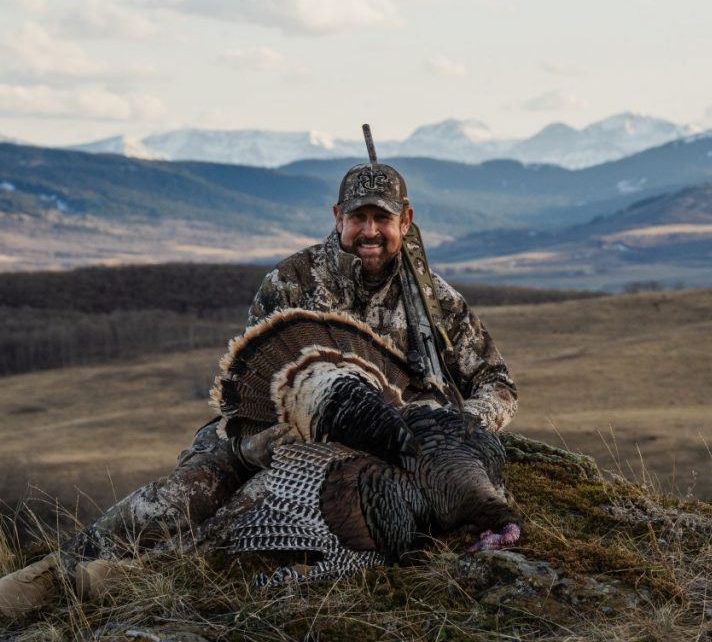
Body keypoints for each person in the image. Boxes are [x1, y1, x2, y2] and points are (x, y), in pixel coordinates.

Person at [0, 160, 517, 618]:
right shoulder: (293, 282)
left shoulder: (435, 301)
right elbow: (255, 396)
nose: (370, 231)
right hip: (272, 436)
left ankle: (123, 579)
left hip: (374, 461)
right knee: (185, 494)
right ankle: (50, 575)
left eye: (382, 218)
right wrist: (256, 447)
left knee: (253, 517)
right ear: (337, 216)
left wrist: (459, 430)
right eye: (358, 217)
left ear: (405, 220)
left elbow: (496, 383)